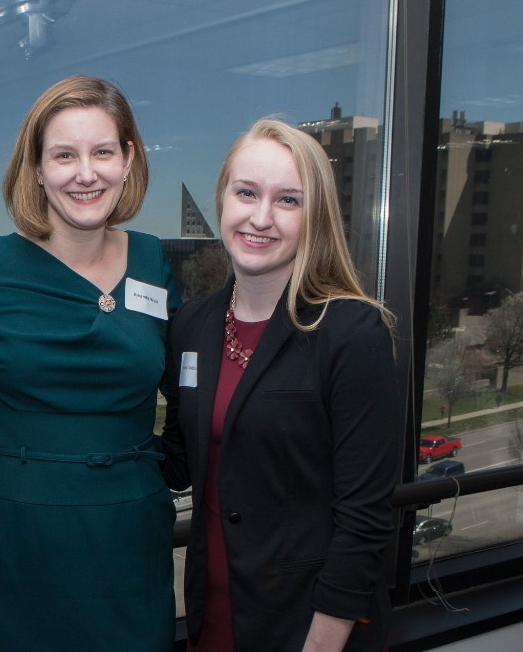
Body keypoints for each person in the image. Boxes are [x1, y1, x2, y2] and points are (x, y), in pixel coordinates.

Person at [0, 75, 179, 652]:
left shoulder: (153, 260)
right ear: (37, 169)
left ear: (128, 160)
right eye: (64, 155)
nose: (85, 172)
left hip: (130, 536)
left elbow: (193, 386)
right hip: (16, 540)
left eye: (102, 152)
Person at [159, 118, 399, 651]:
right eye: (246, 192)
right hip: (213, 615)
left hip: (308, 627)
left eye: (288, 200)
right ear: (223, 197)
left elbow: (363, 519)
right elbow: (177, 458)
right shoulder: (192, 327)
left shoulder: (352, 334)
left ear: (314, 217)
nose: (260, 217)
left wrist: (321, 644)